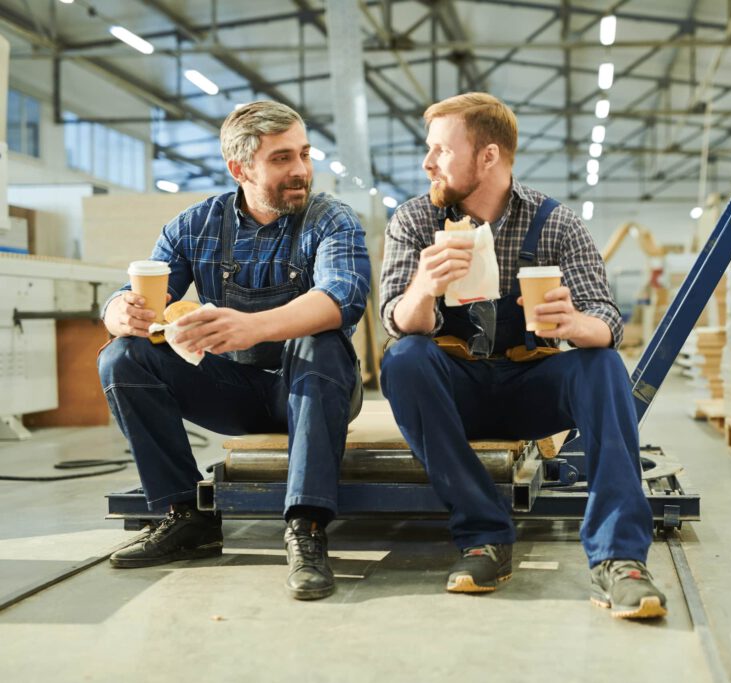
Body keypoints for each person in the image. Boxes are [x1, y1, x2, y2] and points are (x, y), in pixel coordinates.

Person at [378, 93, 667, 619]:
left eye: (441, 150)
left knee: (602, 364)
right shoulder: (416, 220)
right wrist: (425, 284)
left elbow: (607, 317)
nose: (427, 163)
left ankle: (619, 558)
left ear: (488, 157)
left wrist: (578, 324)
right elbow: (395, 320)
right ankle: (485, 537)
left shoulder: (556, 223)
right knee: (404, 359)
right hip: (454, 389)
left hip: (531, 387)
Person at [98, 101, 370, 601]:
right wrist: (118, 311)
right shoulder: (194, 226)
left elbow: (341, 296)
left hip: (315, 387)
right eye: (282, 158)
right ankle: (187, 518)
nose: (301, 171)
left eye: (304, 154)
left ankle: (306, 526)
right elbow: (141, 297)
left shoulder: (331, 219)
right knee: (121, 357)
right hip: (235, 390)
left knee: (320, 338)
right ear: (240, 168)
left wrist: (251, 327)